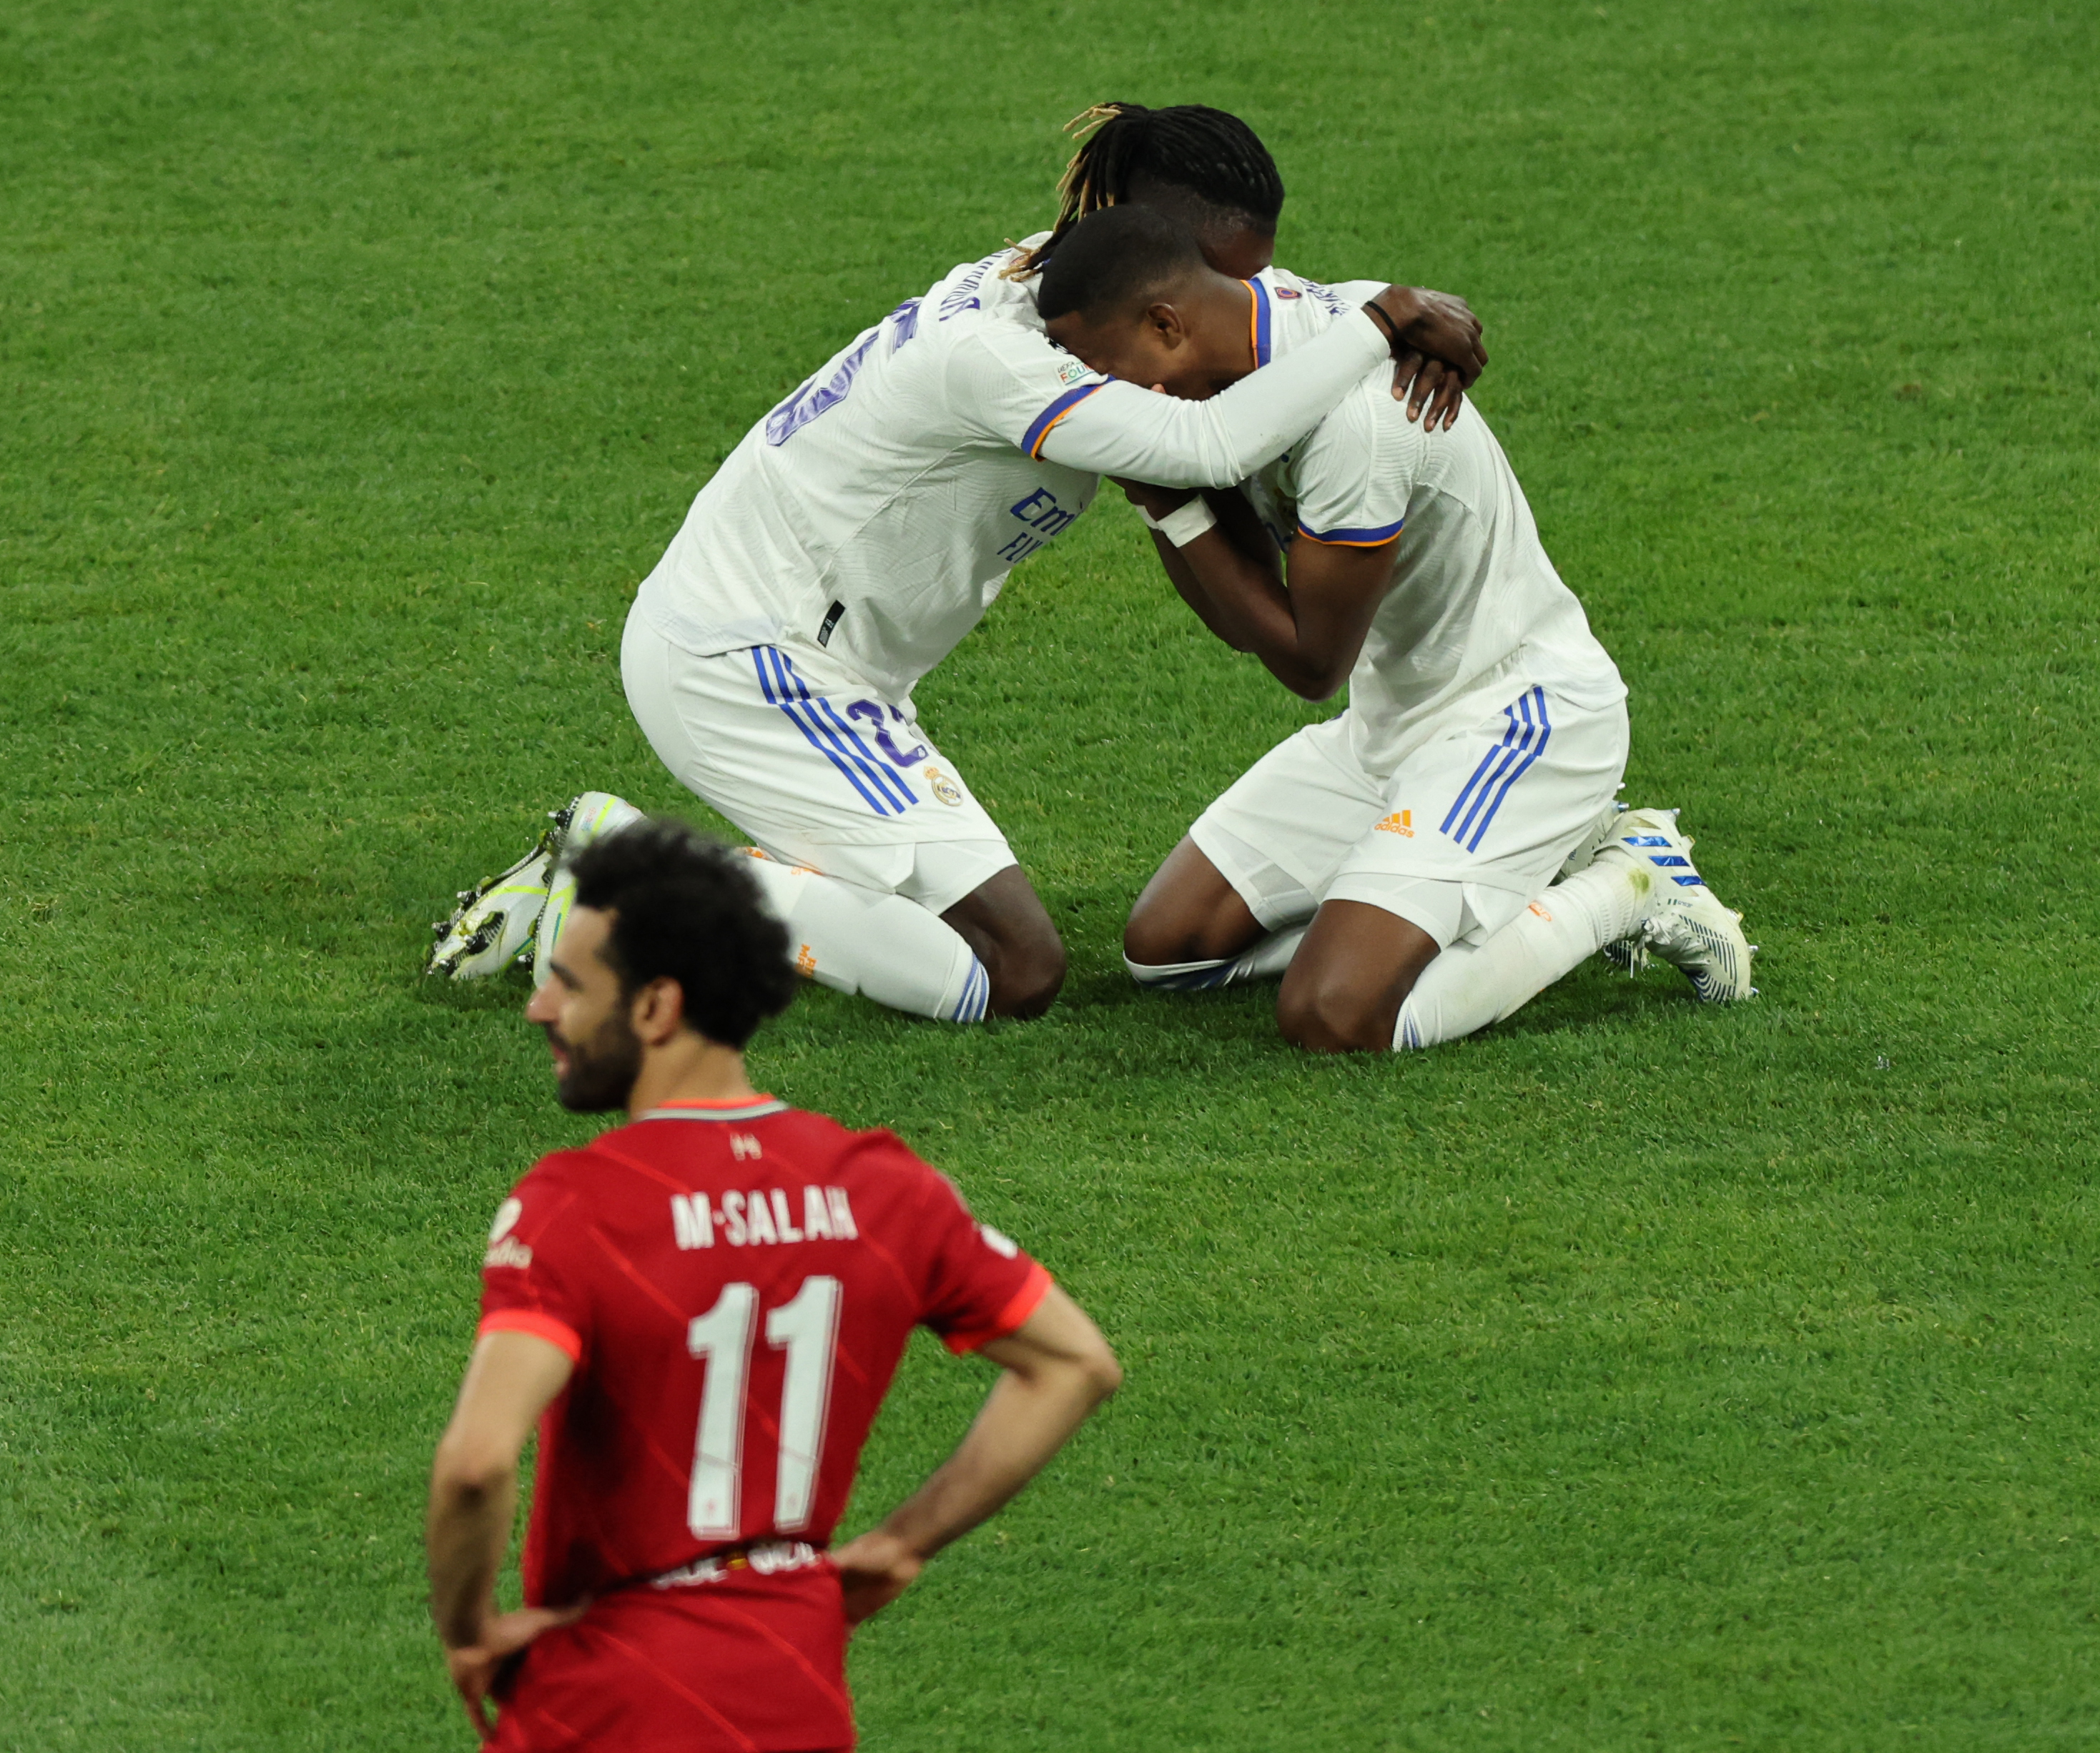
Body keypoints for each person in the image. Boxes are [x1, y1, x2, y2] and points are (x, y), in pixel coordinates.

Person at [428, 104, 1490, 1025]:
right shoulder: (998, 357)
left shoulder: (1078, 288)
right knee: (1009, 971)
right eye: (1225, 278)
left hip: (825, 669)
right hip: (754, 661)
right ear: (1158, 256)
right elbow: (1207, 451)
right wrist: (1384, 318)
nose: (1238, 305)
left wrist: (1403, 320)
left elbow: (1280, 323)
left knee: (964, 942)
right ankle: (633, 878)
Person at [425, 818, 1121, 1749]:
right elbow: (1074, 1363)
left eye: (567, 981)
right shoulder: (879, 1188)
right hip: (792, 1687)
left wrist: (469, 1632)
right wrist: (899, 1544)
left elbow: (474, 1465)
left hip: (611, 1700)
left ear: (656, 1009)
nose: (540, 1009)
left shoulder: (579, 1206)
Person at [1034, 204, 1755, 1053]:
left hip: (1520, 720)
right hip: (1387, 730)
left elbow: (1310, 661)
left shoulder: (1361, 428)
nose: (1100, 401)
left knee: (1336, 1014)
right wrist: (1170, 503)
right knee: (1166, 954)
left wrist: (1163, 499)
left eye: (1101, 370)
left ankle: (1630, 883)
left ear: (1166, 323)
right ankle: (1450, 888)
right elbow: (1241, 616)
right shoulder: (1243, 352)